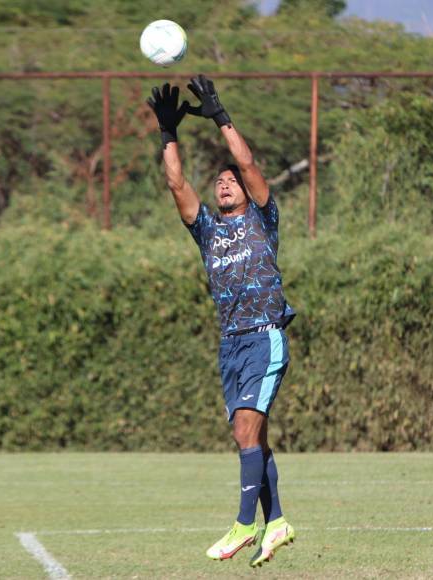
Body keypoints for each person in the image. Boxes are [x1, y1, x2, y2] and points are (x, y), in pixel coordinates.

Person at [146, 76, 296, 568]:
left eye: (232, 179)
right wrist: (168, 132)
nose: (226, 181)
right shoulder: (208, 231)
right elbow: (176, 183)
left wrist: (219, 115)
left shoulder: (261, 218)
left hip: (263, 338)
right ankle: (277, 523)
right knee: (251, 437)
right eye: (221, 180)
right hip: (230, 345)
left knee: (246, 432)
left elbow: (249, 163)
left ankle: (245, 523)